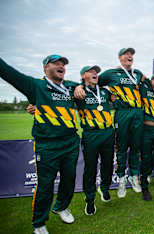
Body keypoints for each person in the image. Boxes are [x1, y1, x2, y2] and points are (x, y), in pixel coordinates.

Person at [0, 55, 79, 234]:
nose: (61, 66)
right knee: (45, 185)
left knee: (69, 180)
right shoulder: (36, 86)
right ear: (45, 68)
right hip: (47, 145)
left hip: (71, 142)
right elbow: (9, 73)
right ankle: (39, 222)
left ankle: (61, 207)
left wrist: (81, 86)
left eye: (63, 64)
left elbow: (87, 87)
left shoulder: (70, 86)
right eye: (56, 63)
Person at [76, 48, 145, 198]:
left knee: (136, 146)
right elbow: (92, 83)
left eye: (131, 54)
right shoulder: (110, 73)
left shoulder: (138, 73)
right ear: (119, 58)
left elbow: (148, 84)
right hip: (122, 113)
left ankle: (134, 176)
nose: (129, 56)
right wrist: (80, 86)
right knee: (121, 147)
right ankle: (121, 179)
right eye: (126, 54)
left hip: (138, 112)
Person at [76, 65, 115, 215]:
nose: (95, 74)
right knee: (90, 168)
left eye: (96, 72)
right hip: (90, 134)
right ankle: (90, 200)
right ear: (83, 75)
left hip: (107, 133)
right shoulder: (78, 91)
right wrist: (34, 106)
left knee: (108, 164)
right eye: (91, 72)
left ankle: (104, 188)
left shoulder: (104, 91)